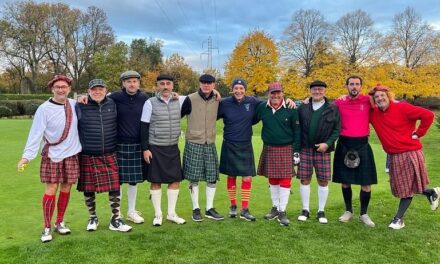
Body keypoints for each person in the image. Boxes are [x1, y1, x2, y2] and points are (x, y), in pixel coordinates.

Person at [17, 75, 82, 242]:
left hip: (72, 153)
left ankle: (59, 222)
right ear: (52, 89)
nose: (61, 89)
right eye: (57, 87)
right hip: (53, 155)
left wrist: (84, 98)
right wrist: (26, 157)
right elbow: (36, 134)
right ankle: (47, 226)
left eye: (64, 87)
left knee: (66, 188)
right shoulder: (44, 109)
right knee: (51, 188)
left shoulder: (74, 105)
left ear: (69, 89)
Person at [368, 84, 439, 229]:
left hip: (409, 152)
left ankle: (398, 219)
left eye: (382, 95)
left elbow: (428, 115)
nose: (380, 98)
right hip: (394, 155)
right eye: (376, 97)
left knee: (405, 188)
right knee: (402, 186)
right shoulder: (374, 113)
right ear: (374, 100)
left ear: (388, 96)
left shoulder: (402, 107)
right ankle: (431, 192)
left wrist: (419, 133)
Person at [76, 79, 132, 233]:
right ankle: (92, 217)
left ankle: (115, 219)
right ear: (88, 91)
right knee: (89, 189)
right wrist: (77, 98)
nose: (97, 92)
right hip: (88, 153)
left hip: (109, 151)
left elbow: (130, 96)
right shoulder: (80, 105)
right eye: (94, 89)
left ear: (106, 90)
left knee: (114, 187)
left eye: (100, 89)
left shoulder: (113, 103)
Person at [140, 73, 186, 226]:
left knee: (175, 180)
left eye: (168, 83)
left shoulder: (180, 100)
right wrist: (145, 149)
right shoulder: (150, 102)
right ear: (157, 86)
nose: (165, 86)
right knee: (156, 181)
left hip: (172, 146)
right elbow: (144, 127)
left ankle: (171, 214)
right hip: (155, 147)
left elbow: (200, 94)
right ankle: (158, 214)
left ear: (172, 86)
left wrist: (216, 93)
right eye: (162, 84)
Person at [332, 75, 377, 227]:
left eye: (357, 84)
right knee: (345, 181)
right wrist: (306, 101)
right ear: (347, 86)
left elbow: (385, 102)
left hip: (362, 144)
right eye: (351, 84)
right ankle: (348, 211)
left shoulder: (367, 101)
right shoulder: (340, 102)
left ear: (361, 86)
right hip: (344, 143)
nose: (354, 87)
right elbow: (324, 107)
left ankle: (364, 214)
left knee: (366, 183)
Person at [256, 82, 301, 226]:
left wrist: (296, 151)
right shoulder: (262, 108)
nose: (276, 95)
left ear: (283, 93)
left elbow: (297, 131)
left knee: (285, 180)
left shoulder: (291, 109)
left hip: (286, 147)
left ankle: (283, 211)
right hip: (269, 147)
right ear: (268, 93)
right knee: (273, 179)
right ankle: (275, 208)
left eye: (278, 92)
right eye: (272, 93)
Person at [297, 80, 340, 224]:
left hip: (323, 150)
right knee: (305, 179)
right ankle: (305, 210)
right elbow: (297, 126)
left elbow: (337, 129)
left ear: (324, 91)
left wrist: (327, 144)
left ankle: (321, 210)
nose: (317, 92)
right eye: (314, 89)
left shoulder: (333, 108)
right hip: (305, 148)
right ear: (310, 91)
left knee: (323, 180)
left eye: (320, 89)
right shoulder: (303, 107)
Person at [109, 71, 149, 224]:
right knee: (117, 180)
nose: (132, 84)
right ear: (123, 83)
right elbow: (98, 101)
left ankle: (131, 211)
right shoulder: (115, 97)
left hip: (137, 144)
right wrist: (83, 98)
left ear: (139, 83)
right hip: (118, 144)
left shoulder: (145, 98)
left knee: (133, 181)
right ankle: (116, 214)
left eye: (135, 81)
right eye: (128, 81)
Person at [182, 73, 224, 222]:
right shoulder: (190, 99)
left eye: (210, 83)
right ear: (199, 84)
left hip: (210, 143)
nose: (206, 85)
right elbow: (177, 114)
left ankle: (209, 208)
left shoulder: (218, 100)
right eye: (204, 83)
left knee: (212, 177)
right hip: (194, 142)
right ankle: (196, 209)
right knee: (194, 178)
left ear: (214, 85)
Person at [217, 78, 258, 221]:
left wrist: (289, 100)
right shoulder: (224, 103)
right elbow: (209, 112)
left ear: (245, 90)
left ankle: (244, 209)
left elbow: (271, 102)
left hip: (245, 144)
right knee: (231, 175)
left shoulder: (253, 101)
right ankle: (233, 206)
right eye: (236, 88)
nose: (238, 91)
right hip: (229, 144)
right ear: (232, 89)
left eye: (241, 88)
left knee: (247, 176)